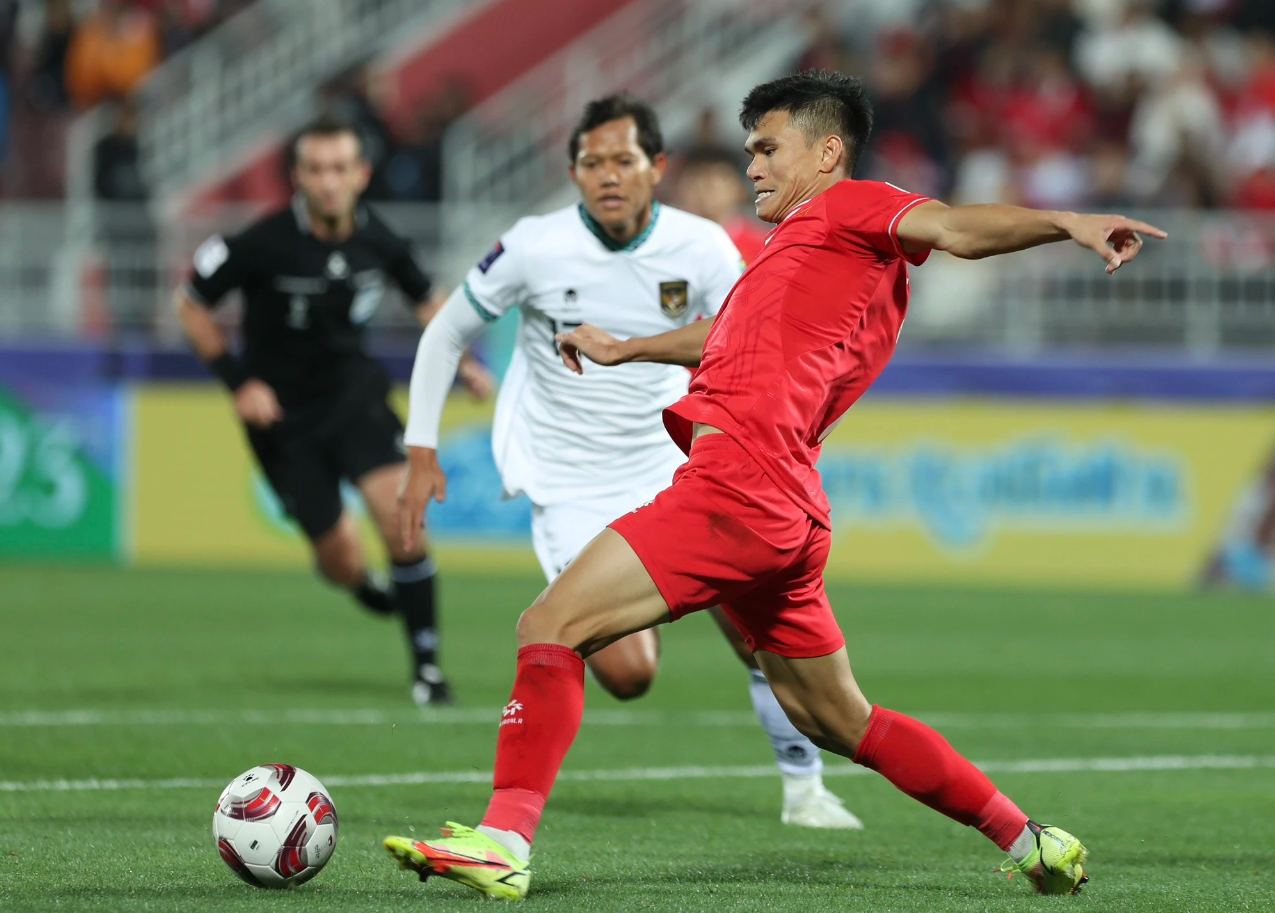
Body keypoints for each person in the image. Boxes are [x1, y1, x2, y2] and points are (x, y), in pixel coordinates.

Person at [383, 71, 1166, 899]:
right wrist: (628, 348)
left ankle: (503, 838)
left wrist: (1065, 222)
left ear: (827, 153)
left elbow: (955, 227)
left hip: (738, 485)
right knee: (839, 719)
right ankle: (1029, 837)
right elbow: (727, 336)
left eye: (767, 147)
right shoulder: (806, 253)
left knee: (551, 623)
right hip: (784, 504)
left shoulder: (848, 206)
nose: (752, 164)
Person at [396, 93, 860, 831]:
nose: (607, 175)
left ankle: (804, 787)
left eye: (622, 160)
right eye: (590, 162)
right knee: (628, 672)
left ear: (657, 168)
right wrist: (420, 448)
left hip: (677, 465)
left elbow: (754, 336)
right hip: (570, 483)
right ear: (573, 172)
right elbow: (444, 333)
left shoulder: (703, 247)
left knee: (754, 633)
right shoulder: (531, 247)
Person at [176, 116, 492, 706]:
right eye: (316, 170)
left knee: (403, 521)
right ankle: (364, 586)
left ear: (362, 174)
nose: (329, 182)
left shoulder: (382, 239)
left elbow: (428, 300)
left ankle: (427, 667)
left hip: (357, 400)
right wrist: (238, 382)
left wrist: (465, 362)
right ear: (297, 177)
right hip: (283, 421)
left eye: (341, 169)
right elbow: (191, 305)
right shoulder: (260, 243)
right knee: (339, 558)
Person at [674, 145, 769, 264]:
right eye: (696, 176)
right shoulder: (667, 240)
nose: (706, 186)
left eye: (719, 177)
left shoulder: (762, 246)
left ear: (740, 188)